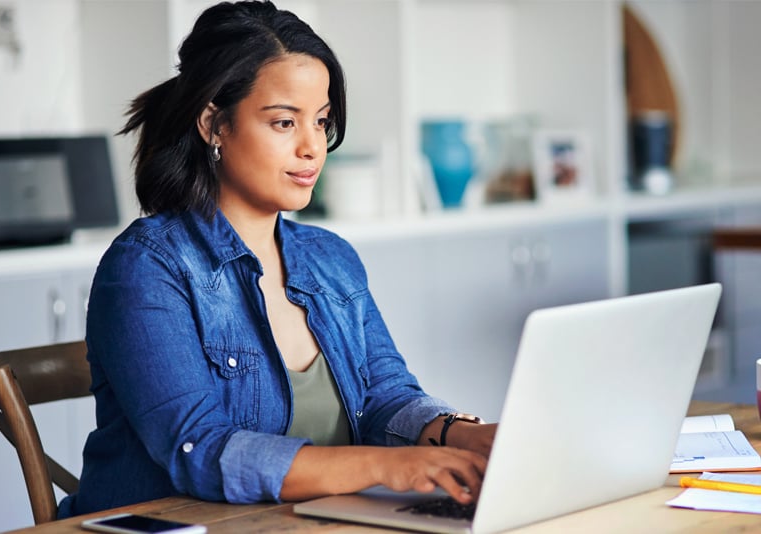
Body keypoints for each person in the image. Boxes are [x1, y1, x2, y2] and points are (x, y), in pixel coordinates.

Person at [58, 0, 496, 518]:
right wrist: (387, 465)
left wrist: (464, 436)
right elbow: (200, 449)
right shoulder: (148, 267)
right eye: (285, 123)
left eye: (322, 121)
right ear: (213, 124)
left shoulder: (331, 259)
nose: (313, 147)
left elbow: (385, 397)